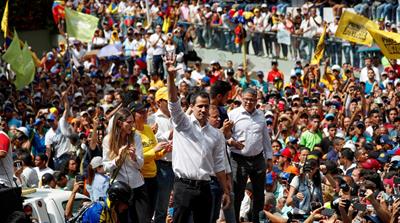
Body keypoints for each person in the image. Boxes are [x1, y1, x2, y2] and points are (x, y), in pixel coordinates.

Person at [166, 57, 230, 223]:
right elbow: (173, 103)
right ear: (192, 106)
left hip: (205, 188)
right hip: (183, 187)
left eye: (206, 106)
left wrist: (226, 191)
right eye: (200, 106)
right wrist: (171, 78)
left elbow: (219, 166)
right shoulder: (182, 124)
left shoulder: (216, 134)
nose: (203, 109)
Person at [228, 88, 273, 223]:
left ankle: (256, 220)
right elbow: (225, 136)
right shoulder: (233, 114)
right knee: (238, 194)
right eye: (246, 99)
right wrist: (232, 143)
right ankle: (234, 220)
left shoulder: (260, 115)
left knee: (259, 194)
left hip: (258, 158)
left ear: (256, 100)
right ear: (241, 97)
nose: (249, 102)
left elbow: (265, 137)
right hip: (238, 159)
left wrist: (269, 157)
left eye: (252, 100)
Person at [102, 108, 148, 223]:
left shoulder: (135, 136)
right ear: (119, 122)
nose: (132, 126)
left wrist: (134, 157)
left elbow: (140, 164)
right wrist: (117, 159)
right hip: (120, 190)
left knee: (143, 219)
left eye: (132, 122)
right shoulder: (108, 140)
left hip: (137, 185)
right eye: (129, 122)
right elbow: (106, 167)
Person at [153, 87, 175, 223]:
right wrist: (170, 134)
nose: (171, 102)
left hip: (178, 164)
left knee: (180, 204)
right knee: (161, 206)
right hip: (163, 165)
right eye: (168, 100)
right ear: (159, 102)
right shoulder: (153, 118)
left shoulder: (176, 116)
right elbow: (153, 140)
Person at [66, 181, 131, 223]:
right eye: (124, 203)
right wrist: (73, 192)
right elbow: (67, 215)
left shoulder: (112, 210)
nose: (126, 206)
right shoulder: (97, 211)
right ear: (116, 201)